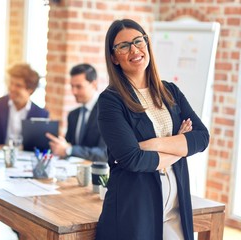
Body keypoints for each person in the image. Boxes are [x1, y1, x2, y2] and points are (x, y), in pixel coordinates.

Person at [95, 19, 210, 240]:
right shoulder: (111, 101)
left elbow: (202, 137)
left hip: (176, 208)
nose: (134, 50)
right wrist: (179, 144)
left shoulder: (170, 92)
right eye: (123, 46)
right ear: (113, 57)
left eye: (139, 41)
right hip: (135, 210)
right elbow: (132, 159)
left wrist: (154, 145)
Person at [45, 63, 106, 162]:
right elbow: (68, 147)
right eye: (72, 86)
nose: (74, 92)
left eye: (79, 87)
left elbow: (104, 153)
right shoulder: (73, 115)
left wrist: (69, 150)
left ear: (94, 84)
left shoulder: (107, 112)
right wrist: (60, 146)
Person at [0, 63, 49, 145]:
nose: (12, 88)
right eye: (11, 83)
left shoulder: (41, 114)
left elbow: (39, 146)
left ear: (30, 90)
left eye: (18, 85)